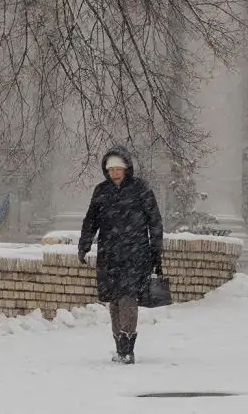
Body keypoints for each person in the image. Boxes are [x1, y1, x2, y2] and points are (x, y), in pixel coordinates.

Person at [77, 145, 164, 364]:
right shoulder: (101, 191)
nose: (115, 172)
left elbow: (154, 220)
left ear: (126, 169)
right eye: (111, 169)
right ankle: (119, 346)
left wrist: (156, 249)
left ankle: (128, 347)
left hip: (135, 253)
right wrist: (84, 245)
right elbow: (91, 220)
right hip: (109, 253)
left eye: (118, 168)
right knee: (114, 300)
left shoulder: (140, 189)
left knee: (127, 298)